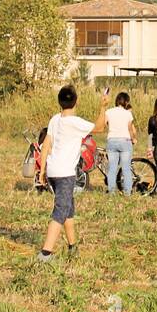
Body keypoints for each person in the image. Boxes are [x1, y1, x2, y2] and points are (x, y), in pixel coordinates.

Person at [37, 85, 106, 263]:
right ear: (76, 101)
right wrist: (103, 106)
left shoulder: (55, 119)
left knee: (68, 208)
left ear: (60, 102)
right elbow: (99, 127)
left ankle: (72, 246)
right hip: (65, 173)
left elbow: (45, 145)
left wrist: (42, 170)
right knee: (60, 211)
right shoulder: (75, 122)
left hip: (52, 170)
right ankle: (45, 253)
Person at [103, 91, 137, 195]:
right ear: (126, 102)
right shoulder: (128, 113)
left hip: (112, 140)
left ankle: (112, 192)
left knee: (112, 168)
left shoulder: (108, 112)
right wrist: (133, 139)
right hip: (125, 141)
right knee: (126, 168)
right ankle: (127, 192)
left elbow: (105, 124)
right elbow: (130, 129)